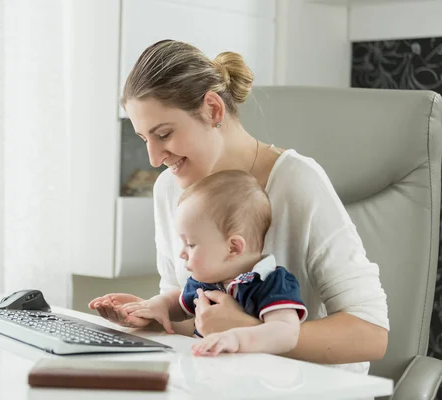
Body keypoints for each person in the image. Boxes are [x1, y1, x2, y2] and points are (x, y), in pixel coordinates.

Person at [89, 39, 389, 373]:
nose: (155, 158)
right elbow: (197, 318)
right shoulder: (169, 189)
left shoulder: (296, 181)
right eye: (145, 139)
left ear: (213, 110)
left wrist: (248, 330)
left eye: (164, 134)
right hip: (221, 381)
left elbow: (371, 335)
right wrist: (156, 316)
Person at [121, 169, 307, 357]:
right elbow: (180, 304)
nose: (182, 254)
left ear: (233, 248)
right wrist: (157, 306)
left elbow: (287, 333)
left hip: (253, 379)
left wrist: (236, 338)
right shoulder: (207, 279)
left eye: (191, 244)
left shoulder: (270, 281)